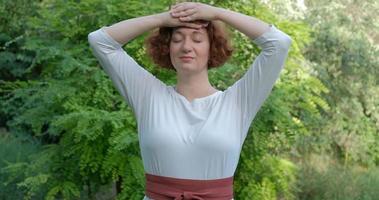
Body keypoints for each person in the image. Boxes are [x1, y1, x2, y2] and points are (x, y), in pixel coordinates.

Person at [88, 1, 292, 199]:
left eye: (197, 39)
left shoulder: (238, 102)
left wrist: (217, 13)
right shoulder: (148, 96)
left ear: (212, 47)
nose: (186, 47)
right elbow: (100, 41)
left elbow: (279, 43)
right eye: (177, 39)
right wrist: (164, 19)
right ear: (167, 48)